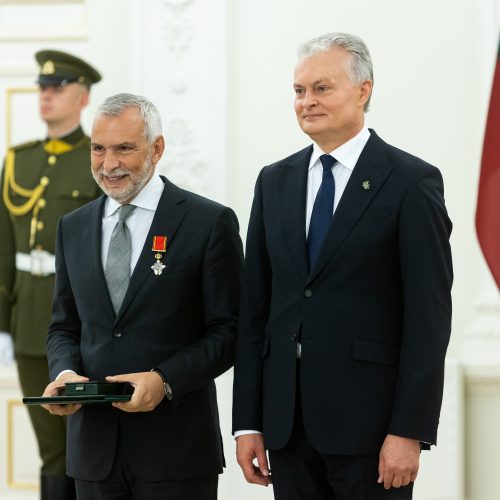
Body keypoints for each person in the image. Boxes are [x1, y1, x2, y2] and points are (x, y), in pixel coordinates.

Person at [232, 32, 453, 500]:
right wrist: (248, 422)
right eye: (298, 91)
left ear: (363, 90)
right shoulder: (274, 181)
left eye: (321, 88)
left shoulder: (411, 182)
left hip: (372, 433)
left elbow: (428, 320)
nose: (306, 102)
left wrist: (409, 430)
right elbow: (256, 310)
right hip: (286, 428)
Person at [41, 93, 243, 500]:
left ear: (157, 149)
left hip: (177, 453)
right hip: (94, 456)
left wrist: (164, 380)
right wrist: (64, 376)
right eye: (98, 149)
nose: (108, 163)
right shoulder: (72, 227)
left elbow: (230, 332)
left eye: (124, 149)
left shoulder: (208, 222)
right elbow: (64, 325)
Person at [0, 49, 102, 499]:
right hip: (27, 324)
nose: (46, 96)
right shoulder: (18, 160)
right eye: (42, 87)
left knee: (87, 443)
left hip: (81, 322)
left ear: (82, 97)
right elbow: (4, 245)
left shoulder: (97, 158)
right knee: (50, 449)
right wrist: (2, 323)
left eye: (58, 87)